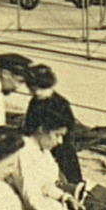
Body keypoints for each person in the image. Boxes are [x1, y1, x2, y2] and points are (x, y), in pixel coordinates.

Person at [16, 98, 89, 210]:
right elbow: (33, 199)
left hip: (36, 209)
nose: (60, 141)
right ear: (41, 129)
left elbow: (46, 185)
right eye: (57, 135)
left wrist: (64, 196)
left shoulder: (42, 149)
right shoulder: (24, 152)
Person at [23, 64, 84, 193]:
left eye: (40, 89)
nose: (37, 93)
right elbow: (29, 125)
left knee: (71, 179)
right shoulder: (34, 102)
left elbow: (68, 130)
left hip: (61, 147)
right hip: (40, 144)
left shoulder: (60, 103)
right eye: (32, 89)